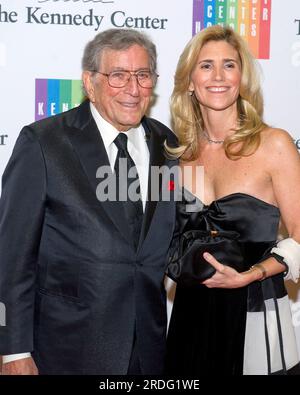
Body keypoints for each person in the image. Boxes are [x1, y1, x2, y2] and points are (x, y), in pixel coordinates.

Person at [0, 28, 177, 375]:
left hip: (148, 349)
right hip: (65, 349)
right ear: (90, 82)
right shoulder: (44, 143)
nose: (133, 88)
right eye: (118, 75)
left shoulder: (167, 144)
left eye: (143, 75)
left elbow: (167, 239)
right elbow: (11, 258)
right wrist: (12, 350)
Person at [165, 25, 300, 375]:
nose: (219, 76)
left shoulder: (274, 145)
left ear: (242, 77)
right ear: (190, 82)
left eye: (229, 64)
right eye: (206, 65)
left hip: (254, 306)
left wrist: (250, 275)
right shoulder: (178, 157)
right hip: (190, 313)